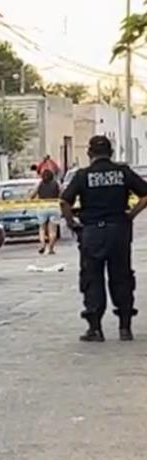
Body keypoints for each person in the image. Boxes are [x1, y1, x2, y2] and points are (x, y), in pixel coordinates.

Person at [60, 135, 147, 342]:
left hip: (92, 233)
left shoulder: (83, 175)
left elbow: (64, 201)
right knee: (122, 277)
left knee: (92, 278)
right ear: (111, 153)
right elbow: (145, 195)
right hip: (119, 231)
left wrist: (73, 223)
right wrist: (130, 215)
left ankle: (95, 328)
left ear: (90, 154)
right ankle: (125, 327)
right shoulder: (122, 172)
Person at [31, 167, 62, 255]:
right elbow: (62, 194)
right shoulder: (56, 183)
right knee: (53, 230)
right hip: (54, 206)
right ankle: (51, 248)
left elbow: (32, 195)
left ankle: (42, 244)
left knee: (42, 228)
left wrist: (31, 200)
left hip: (42, 206)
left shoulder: (39, 184)